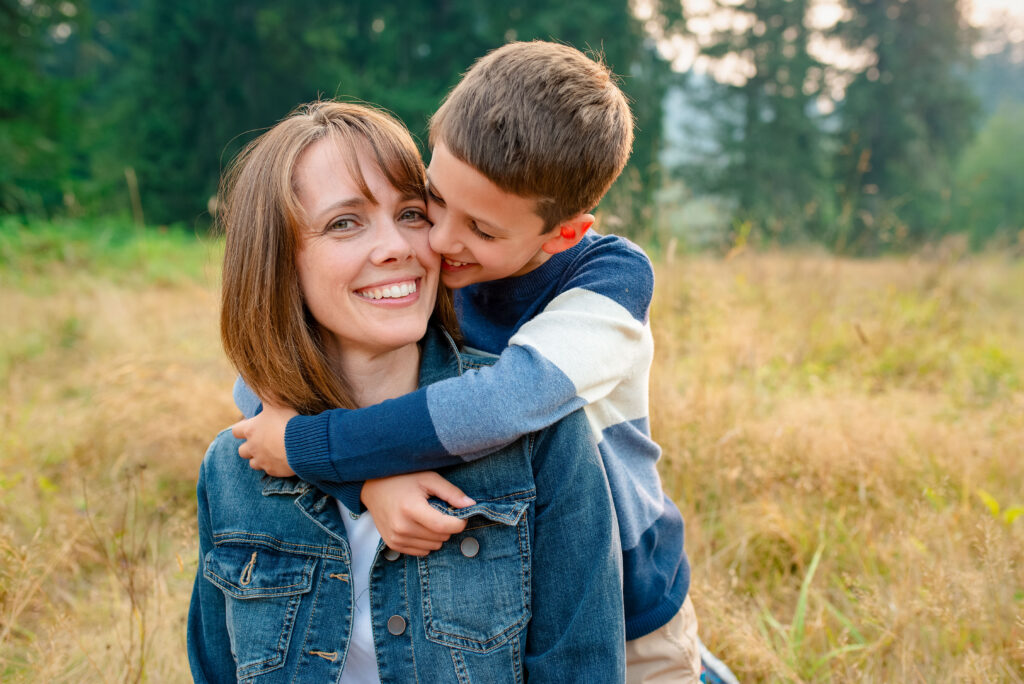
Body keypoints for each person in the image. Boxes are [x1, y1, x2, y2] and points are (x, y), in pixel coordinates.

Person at [234, 42, 738, 684]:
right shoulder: (433, 261)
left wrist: (315, 447)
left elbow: (503, 403)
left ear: (563, 234)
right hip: (488, 578)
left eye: (482, 229)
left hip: (625, 593)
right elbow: (264, 383)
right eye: (435, 201)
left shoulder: (606, 281)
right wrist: (363, 482)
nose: (442, 242)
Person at [187, 100, 626, 683]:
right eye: (345, 222)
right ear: (275, 260)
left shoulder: (538, 436)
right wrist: (362, 480)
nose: (397, 247)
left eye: (412, 213)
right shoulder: (235, 468)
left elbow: (580, 670)